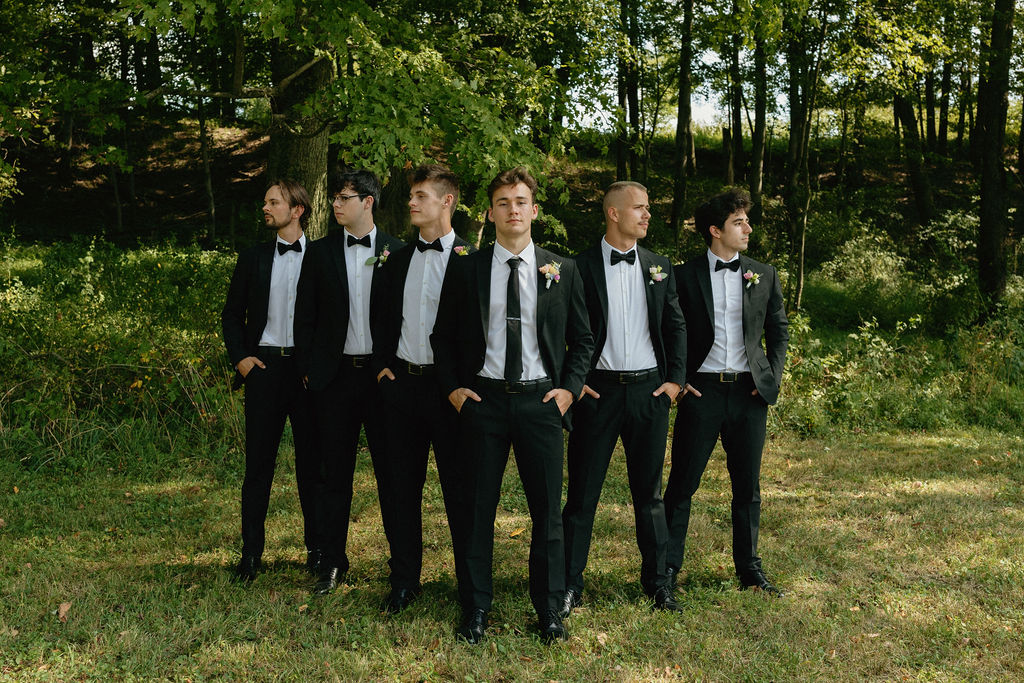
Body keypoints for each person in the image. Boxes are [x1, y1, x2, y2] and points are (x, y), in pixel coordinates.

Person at [432, 167, 594, 645]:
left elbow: (583, 339)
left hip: (541, 403)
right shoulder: (465, 267)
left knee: (547, 515)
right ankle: (476, 608)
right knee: (477, 510)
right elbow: (441, 337)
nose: (513, 210)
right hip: (483, 403)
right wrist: (454, 391)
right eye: (503, 202)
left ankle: (549, 610)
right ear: (490, 211)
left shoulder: (561, 269)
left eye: (521, 201)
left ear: (535, 210)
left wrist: (569, 390)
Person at [560, 181, 686, 616]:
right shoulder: (577, 266)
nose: (647, 215)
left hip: (650, 392)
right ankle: (568, 584)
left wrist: (675, 381)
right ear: (613, 214)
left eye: (648, 208)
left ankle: (658, 582)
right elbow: (561, 330)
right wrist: (573, 382)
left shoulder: (659, 265)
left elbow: (676, 326)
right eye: (640, 208)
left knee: (649, 495)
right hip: (598, 393)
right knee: (582, 495)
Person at [662, 187, 789, 596]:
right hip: (702, 394)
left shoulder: (763, 273)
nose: (748, 228)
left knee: (747, 487)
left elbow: (778, 332)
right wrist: (679, 381)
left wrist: (770, 377)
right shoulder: (682, 275)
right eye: (739, 222)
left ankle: (749, 567)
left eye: (746, 221)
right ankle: (666, 569)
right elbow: (666, 331)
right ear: (715, 230)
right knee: (682, 484)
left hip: (749, 395)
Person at [294, 169, 405, 595]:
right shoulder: (319, 254)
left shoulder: (398, 251)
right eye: (335, 198)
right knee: (332, 474)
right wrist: (309, 367)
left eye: (345, 197)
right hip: (334, 378)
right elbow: (304, 316)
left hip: (382, 380)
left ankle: (401, 567)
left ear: (368, 202)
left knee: (391, 475)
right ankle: (331, 561)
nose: (336, 205)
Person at [370, 164, 475, 613]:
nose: (411, 203)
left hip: (452, 396)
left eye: (420, 196)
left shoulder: (474, 259)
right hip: (402, 390)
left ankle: (468, 584)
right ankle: (404, 580)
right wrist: (381, 367)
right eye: (411, 196)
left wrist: (466, 386)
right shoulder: (395, 258)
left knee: (462, 491)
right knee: (398, 488)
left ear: (446, 201)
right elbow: (378, 316)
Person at [221, 179, 320, 581]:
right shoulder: (253, 257)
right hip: (263, 371)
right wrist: (242, 359)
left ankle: (317, 551)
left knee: (312, 468)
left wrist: (321, 367)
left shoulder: (321, 257)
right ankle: (250, 555)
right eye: (265, 201)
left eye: (273, 202)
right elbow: (232, 315)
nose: (266, 207)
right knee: (257, 466)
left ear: (296, 210)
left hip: (307, 375)